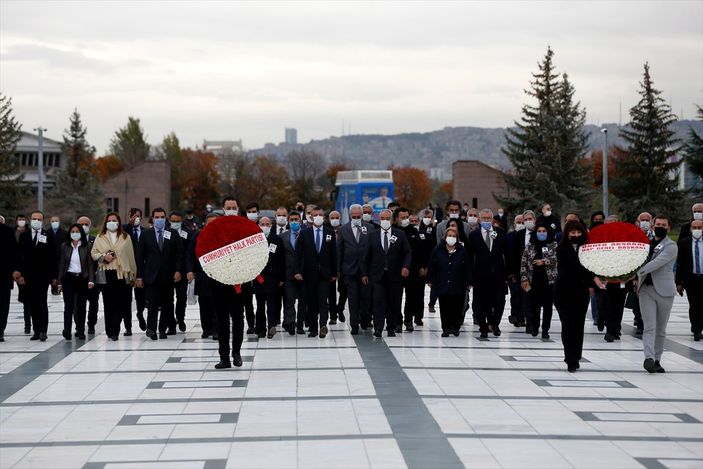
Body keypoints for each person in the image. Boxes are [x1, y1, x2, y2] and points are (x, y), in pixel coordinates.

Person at [554, 220, 605, 372]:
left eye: (578, 232)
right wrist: (593, 277)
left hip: (580, 292)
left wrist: (596, 276)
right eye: (572, 233)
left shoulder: (587, 249)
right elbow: (573, 267)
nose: (576, 235)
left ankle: (576, 356)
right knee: (568, 325)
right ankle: (569, 358)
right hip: (563, 291)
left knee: (578, 325)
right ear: (567, 233)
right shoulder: (561, 248)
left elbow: (592, 265)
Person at [637, 215, 678, 373]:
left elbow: (657, 263)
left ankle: (657, 359)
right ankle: (649, 357)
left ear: (668, 228)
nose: (660, 226)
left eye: (664, 224)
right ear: (653, 226)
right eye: (658, 224)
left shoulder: (671, 246)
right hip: (646, 290)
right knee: (649, 327)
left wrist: (636, 273)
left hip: (665, 291)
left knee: (661, 329)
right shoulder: (644, 243)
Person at [135, 208, 183, 340]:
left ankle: (162, 329)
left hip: (168, 275)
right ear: (153, 218)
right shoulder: (145, 235)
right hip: (151, 275)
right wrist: (139, 276)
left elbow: (179, 254)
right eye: (157, 217)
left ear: (165, 218)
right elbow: (139, 257)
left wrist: (178, 270)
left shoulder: (172, 233)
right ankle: (151, 329)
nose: (159, 219)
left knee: (167, 303)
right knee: (153, 303)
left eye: (162, 217)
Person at [361, 209, 411, 338]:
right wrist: (364, 274)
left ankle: (391, 328)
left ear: (393, 220)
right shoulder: (372, 235)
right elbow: (366, 256)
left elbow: (407, 252)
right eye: (382, 218)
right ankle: (378, 328)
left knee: (393, 302)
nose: (385, 221)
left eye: (387, 218)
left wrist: (405, 266)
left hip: (395, 276)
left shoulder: (400, 234)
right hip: (377, 275)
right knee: (378, 301)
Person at [91, 212, 137, 340]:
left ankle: (116, 330)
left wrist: (133, 273)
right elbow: (94, 253)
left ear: (119, 222)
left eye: (114, 220)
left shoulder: (125, 237)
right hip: (106, 273)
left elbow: (130, 255)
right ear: (106, 222)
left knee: (119, 304)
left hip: (121, 274)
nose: (112, 222)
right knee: (108, 303)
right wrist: (103, 257)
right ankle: (109, 330)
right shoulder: (100, 237)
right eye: (109, 220)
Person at [294, 206, 337, 338]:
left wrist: (335, 273)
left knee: (323, 301)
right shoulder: (305, 233)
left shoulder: (330, 232)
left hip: (325, 274)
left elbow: (333, 254)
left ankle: (323, 325)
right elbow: (298, 254)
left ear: (323, 217)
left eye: (320, 214)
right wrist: (297, 271)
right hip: (309, 274)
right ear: (311, 217)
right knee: (312, 302)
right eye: (315, 215)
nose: (318, 217)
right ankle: (313, 328)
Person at [466, 208, 509, 338]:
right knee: (480, 303)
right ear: (479, 219)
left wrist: (508, 273)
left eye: (488, 219)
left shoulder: (501, 233)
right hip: (480, 275)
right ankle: (483, 327)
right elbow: (469, 257)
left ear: (492, 219)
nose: (486, 221)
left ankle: (495, 324)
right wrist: (469, 277)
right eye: (483, 218)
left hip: (498, 274)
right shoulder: (474, 235)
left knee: (499, 301)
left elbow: (507, 254)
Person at [16, 211, 58, 341]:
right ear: (30, 219)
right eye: (34, 219)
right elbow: (20, 256)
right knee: (32, 303)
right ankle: (36, 330)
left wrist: (53, 276)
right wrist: (20, 274)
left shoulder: (48, 235)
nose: (36, 221)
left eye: (39, 219)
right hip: (28, 276)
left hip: (43, 276)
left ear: (43, 221)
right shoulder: (24, 236)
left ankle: (43, 331)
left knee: (42, 302)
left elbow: (53, 257)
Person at [337, 204, 374, 335]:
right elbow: (339, 250)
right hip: (349, 270)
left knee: (366, 298)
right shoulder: (343, 230)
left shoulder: (370, 228)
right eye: (354, 216)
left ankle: (365, 318)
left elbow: (373, 250)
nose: (357, 218)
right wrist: (338, 270)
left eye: (359, 216)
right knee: (353, 299)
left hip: (366, 272)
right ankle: (354, 325)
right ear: (350, 216)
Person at [427, 227, 471, 337]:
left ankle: (455, 327)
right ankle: (445, 328)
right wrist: (430, 279)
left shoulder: (462, 250)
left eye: (454, 236)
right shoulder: (438, 249)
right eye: (449, 235)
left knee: (457, 307)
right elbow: (431, 265)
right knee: (444, 307)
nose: (451, 238)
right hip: (442, 283)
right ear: (445, 237)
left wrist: (469, 281)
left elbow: (467, 267)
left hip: (458, 284)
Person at [520, 223, 558, 338]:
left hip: (549, 281)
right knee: (534, 307)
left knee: (547, 308)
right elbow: (523, 263)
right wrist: (524, 278)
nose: (541, 233)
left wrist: (544, 261)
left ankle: (545, 330)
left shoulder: (554, 245)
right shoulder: (530, 246)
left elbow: (557, 258)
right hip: (534, 280)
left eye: (544, 231)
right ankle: (535, 327)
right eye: (539, 231)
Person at [57, 223, 95, 340]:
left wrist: (91, 280)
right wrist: (59, 282)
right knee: (68, 306)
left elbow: (90, 264)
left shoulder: (87, 246)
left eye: (77, 231)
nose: (75, 234)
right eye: (72, 231)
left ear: (81, 233)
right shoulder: (65, 246)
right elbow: (62, 264)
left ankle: (80, 330)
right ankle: (67, 330)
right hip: (68, 279)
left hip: (82, 279)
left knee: (81, 306)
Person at [186, 213, 218, 340]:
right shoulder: (197, 236)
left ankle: (217, 329)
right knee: (204, 303)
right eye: (209, 223)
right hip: (202, 275)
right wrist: (189, 270)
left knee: (217, 303)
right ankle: (207, 329)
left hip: (218, 275)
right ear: (205, 224)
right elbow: (190, 254)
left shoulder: (223, 235)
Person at [255, 217, 285, 339]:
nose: (265, 226)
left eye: (267, 224)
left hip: (272, 278)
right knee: (260, 304)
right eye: (262, 224)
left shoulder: (277, 240)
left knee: (272, 303)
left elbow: (282, 259)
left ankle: (271, 326)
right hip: (258, 277)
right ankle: (260, 328)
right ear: (258, 225)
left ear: (271, 225)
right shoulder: (254, 239)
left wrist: (282, 277)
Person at [675, 219, 703, 341]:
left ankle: (699, 327)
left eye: (699, 227)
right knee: (694, 304)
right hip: (690, 279)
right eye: (694, 227)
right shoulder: (683, 243)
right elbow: (680, 263)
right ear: (691, 229)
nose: (697, 230)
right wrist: (679, 282)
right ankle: (696, 329)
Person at [508, 210, 536, 328]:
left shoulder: (539, 233)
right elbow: (513, 255)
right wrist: (512, 272)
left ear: (534, 220)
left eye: (530, 219)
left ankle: (531, 320)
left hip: (535, 271)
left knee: (532, 297)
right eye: (526, 220)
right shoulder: (518, 235)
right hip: (520, 271)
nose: (528, 222)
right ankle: (520, 317)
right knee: (519, 295)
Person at [403, 213, 432, 329]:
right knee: (410, 294)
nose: (414, 223)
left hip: (421, 269)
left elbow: (428, 252)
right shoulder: (405, 234)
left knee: (420, 294)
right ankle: (408, 318)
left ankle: (419, 317)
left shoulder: (425, 235)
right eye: (411, 221)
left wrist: (425, 267)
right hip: (410, 269)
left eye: (416, 221)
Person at [281, 211, 307, 335]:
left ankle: (300, 325)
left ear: (300, 221)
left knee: (303, 302)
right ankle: (290, 324)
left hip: (304, 275)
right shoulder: (283, 236)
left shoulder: (306, 235)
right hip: (288, 274)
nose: (294, 222)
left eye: (296, 219)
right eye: (292, 220)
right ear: (288, 221)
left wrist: (302, 271)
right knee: (289, 300)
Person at [169, 210, 194, 332]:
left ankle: (180, 318)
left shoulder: (188, 233)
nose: (175, 223)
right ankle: (170, 323)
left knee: (181, 297)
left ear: (181, 221)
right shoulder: (164, 232)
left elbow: (189, 253)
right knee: (168, 298)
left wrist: (189, 270)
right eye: (173, 221)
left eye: (177, 221)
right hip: (167, 270)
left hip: (183, 270)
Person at [123, 208, 146, 331]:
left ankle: (140, 314)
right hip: (127, 268)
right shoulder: (125, 230)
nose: (135, 218)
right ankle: (128, 327)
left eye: (138, 216)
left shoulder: (145, 231)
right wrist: (129, 225)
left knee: (140, 296)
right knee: (126, 299)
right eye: (133, 216)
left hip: (140, 268)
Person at [78, 215, 100, 334]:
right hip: (78, 277)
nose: (84, 226)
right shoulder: (73, 241)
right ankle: (79, 325)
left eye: (86, 224)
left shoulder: (95, 240)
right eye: (81, 224)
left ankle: (91, 324)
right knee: (78, 304)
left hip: (92, 277)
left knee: (93, 303)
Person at [13, 214, 32, 334]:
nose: (21, 221)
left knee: (32, 300)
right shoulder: (12, 233)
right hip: (20, 272)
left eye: (23, 219)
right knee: (26, 300)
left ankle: (33, 325)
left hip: (31, 272)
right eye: (19, 219)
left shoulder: (29, 234)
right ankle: (27, 325)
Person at [1, 222, 19, 342]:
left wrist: (16, 270)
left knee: (3, 304)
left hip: (3, 274)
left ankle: (0, 329)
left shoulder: (7, 231)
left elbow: (14, 252)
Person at [327, 210, 346, 324]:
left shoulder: (344, 230)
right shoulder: (327, 231)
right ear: (329, 219)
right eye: (332, 217)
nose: (334, 219)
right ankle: (333, 315)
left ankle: (340, 309)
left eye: (336, 217)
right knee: (331, 292)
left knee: (344, 291)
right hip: (330, 267)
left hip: (344, 266)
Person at [49, 215, 67, 295]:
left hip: (61, 259)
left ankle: (60, 287)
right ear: (50, 222)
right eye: (53, 221)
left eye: (56, 221)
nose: (54, 223)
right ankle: (53, 288)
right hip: (50, 259)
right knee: (52, 276)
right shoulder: (46, 233)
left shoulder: (65, 234)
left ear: (59, 222)